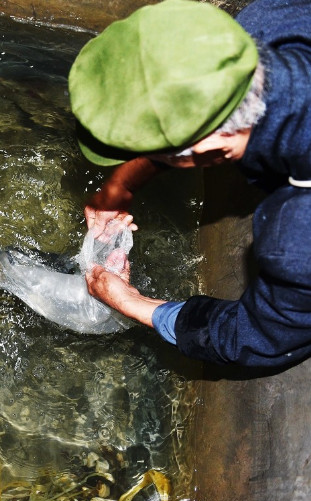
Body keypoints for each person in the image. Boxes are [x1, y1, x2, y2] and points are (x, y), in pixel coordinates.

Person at [66, 0, 311, 367]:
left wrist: (132, 302)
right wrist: (122, 185)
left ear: (211, 149)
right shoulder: (273, 16)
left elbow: (258, 337)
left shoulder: (293, 238)